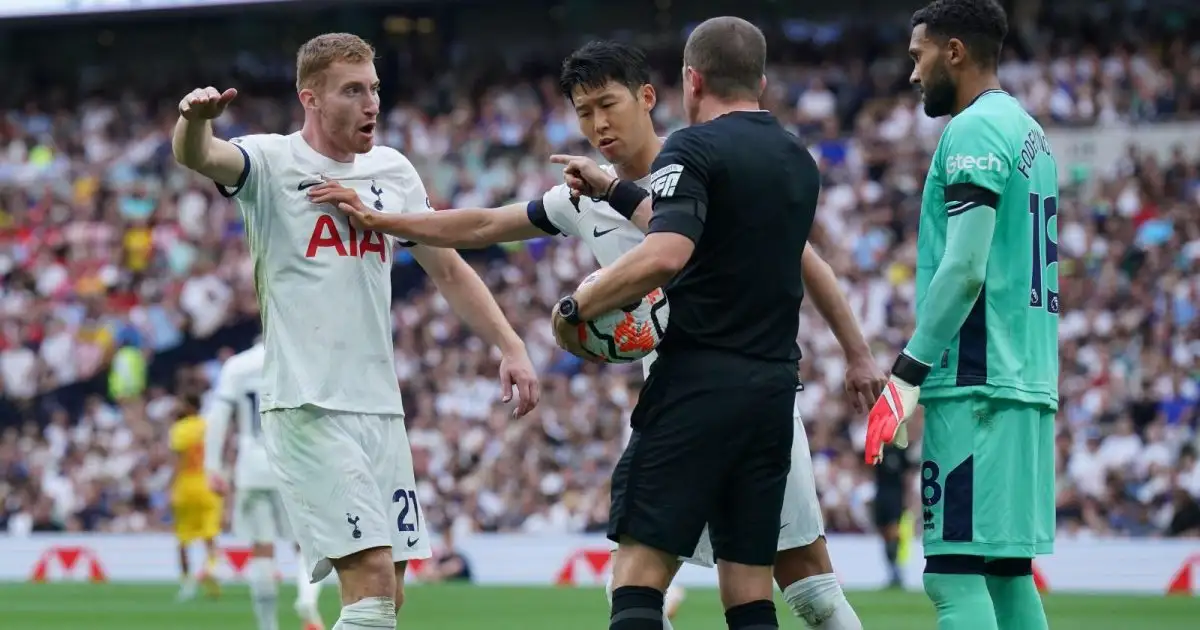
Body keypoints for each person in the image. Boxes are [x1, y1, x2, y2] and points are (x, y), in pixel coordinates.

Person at [334, 39, 879, 630]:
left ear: (648, 97)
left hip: (732, 387)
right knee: (681, 585)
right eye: (583, 111)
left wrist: (857, 352)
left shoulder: (699, 160)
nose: (597, 123)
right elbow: (488, 222)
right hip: (688, 390)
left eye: (607, 104)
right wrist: (385, 221)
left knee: (805, 587)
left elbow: (798, 259)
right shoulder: (579, 197)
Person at [171, 32, 540, 630]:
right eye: (352, 91)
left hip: (380, 408)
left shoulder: (392, 171)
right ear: (310, 98)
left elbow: (446, 266)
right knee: (367, 586)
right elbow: (200, 156)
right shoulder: (270, 161)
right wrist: (193, 121)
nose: (372, 103)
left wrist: (510, 344)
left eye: (374, 88)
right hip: (309, 403)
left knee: (389, 597)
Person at [535, 19, 823, 630]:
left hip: (696, 384)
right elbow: (728, 243)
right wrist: (615, 190)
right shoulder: (796, 158)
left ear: (689, 81)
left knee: (637, 577)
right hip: (772, 390)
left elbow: (668, 252)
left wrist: (575, 309)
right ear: (761, 82)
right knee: (749, 593)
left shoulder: (690, 148)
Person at [863, 2, 1059, 629]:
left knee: (951, 578)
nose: (912, 73)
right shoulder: (1030, 133)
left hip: (977, 385)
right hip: (1026, 381)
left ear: (954, 52)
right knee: (1005, 575)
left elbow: (965, 266)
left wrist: (906, 375)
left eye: (918, 55)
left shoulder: (972, 131)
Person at [204, 340, 326, 630]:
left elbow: (218, 418)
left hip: (252, 466)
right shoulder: (302, 358)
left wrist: (212, 466)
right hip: (293, 463)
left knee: (262, 547)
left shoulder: (237, 366)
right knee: (310, 543)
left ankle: (268, 626)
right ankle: (307, 599)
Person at [169, 393, 221, 602]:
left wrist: (170, 487)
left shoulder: (179, 429)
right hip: (207, 485)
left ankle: (187, 583)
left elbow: (177, 460)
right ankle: (211, 570)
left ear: (189, 405)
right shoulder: (208, 425)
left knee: (183, 538)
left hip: (185, 486)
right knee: (210, 535)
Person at [873, 444, 914, 588]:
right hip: (880, 496)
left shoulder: (901, 451)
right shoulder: (877, 449)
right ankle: (892, 572)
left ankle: (896, 573)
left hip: (896, 497)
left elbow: (907, 476)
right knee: (884, 535)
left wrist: (908, 499)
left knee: (893, 533)